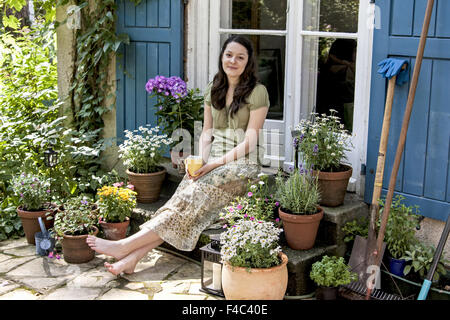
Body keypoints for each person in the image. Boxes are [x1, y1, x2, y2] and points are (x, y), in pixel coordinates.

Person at [86, 35, 270, 275]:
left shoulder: (258, 92)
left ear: (248, 62)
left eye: (240, 57)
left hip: (242, 165)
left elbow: (250, 141)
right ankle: (131, 259)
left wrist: (212, 164)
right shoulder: (213, 89)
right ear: (222, 57)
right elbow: (206, 132)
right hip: (213, 162)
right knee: (181, 202)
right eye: (229, 55)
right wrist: (200, 160)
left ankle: (124, 246)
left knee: (189, 199)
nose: (233, 61)